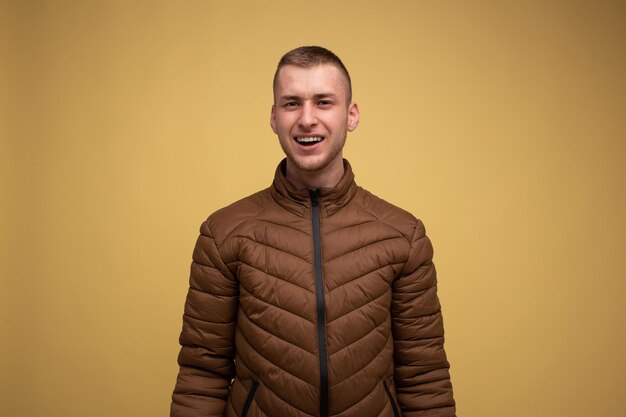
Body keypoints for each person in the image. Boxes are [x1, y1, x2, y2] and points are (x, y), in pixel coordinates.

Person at [171, 46, 455, 417]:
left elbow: (424, 376)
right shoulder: (224, 233)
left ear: (351, 115)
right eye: (291, 103)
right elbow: (201, 373)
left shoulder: (402, 235)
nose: (307, 119)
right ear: (274, 118)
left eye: (324, 102)